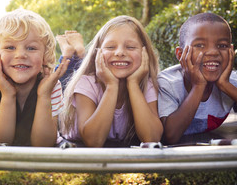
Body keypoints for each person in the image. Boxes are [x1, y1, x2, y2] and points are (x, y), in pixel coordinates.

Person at [157, 12, 237, 145]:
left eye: (222, 45)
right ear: (180, 54)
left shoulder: (231, 81)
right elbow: (170, 136)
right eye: (200, 45)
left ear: (231, 50)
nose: (213, 52)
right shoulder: (168, 83)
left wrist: (226, 86)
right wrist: (198, 86)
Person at [59, 15, 163, 147]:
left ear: (145, 53)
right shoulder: (86, 83)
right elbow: (93, 141)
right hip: (78, 147)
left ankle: (79, 51)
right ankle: (74, 52)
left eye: (130, 47)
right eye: (110, 47)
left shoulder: (146, 85)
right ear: (98, 53)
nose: (120, 52)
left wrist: (133, 85)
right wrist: (111, 86)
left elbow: (151, 138)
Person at [0, 9, 69, 146]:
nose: (21, 55)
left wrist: (44, 96)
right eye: (10, 47)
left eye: (31, 48)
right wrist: (7, 95)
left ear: (45, 54)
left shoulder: (50, 86)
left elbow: (43, 144)